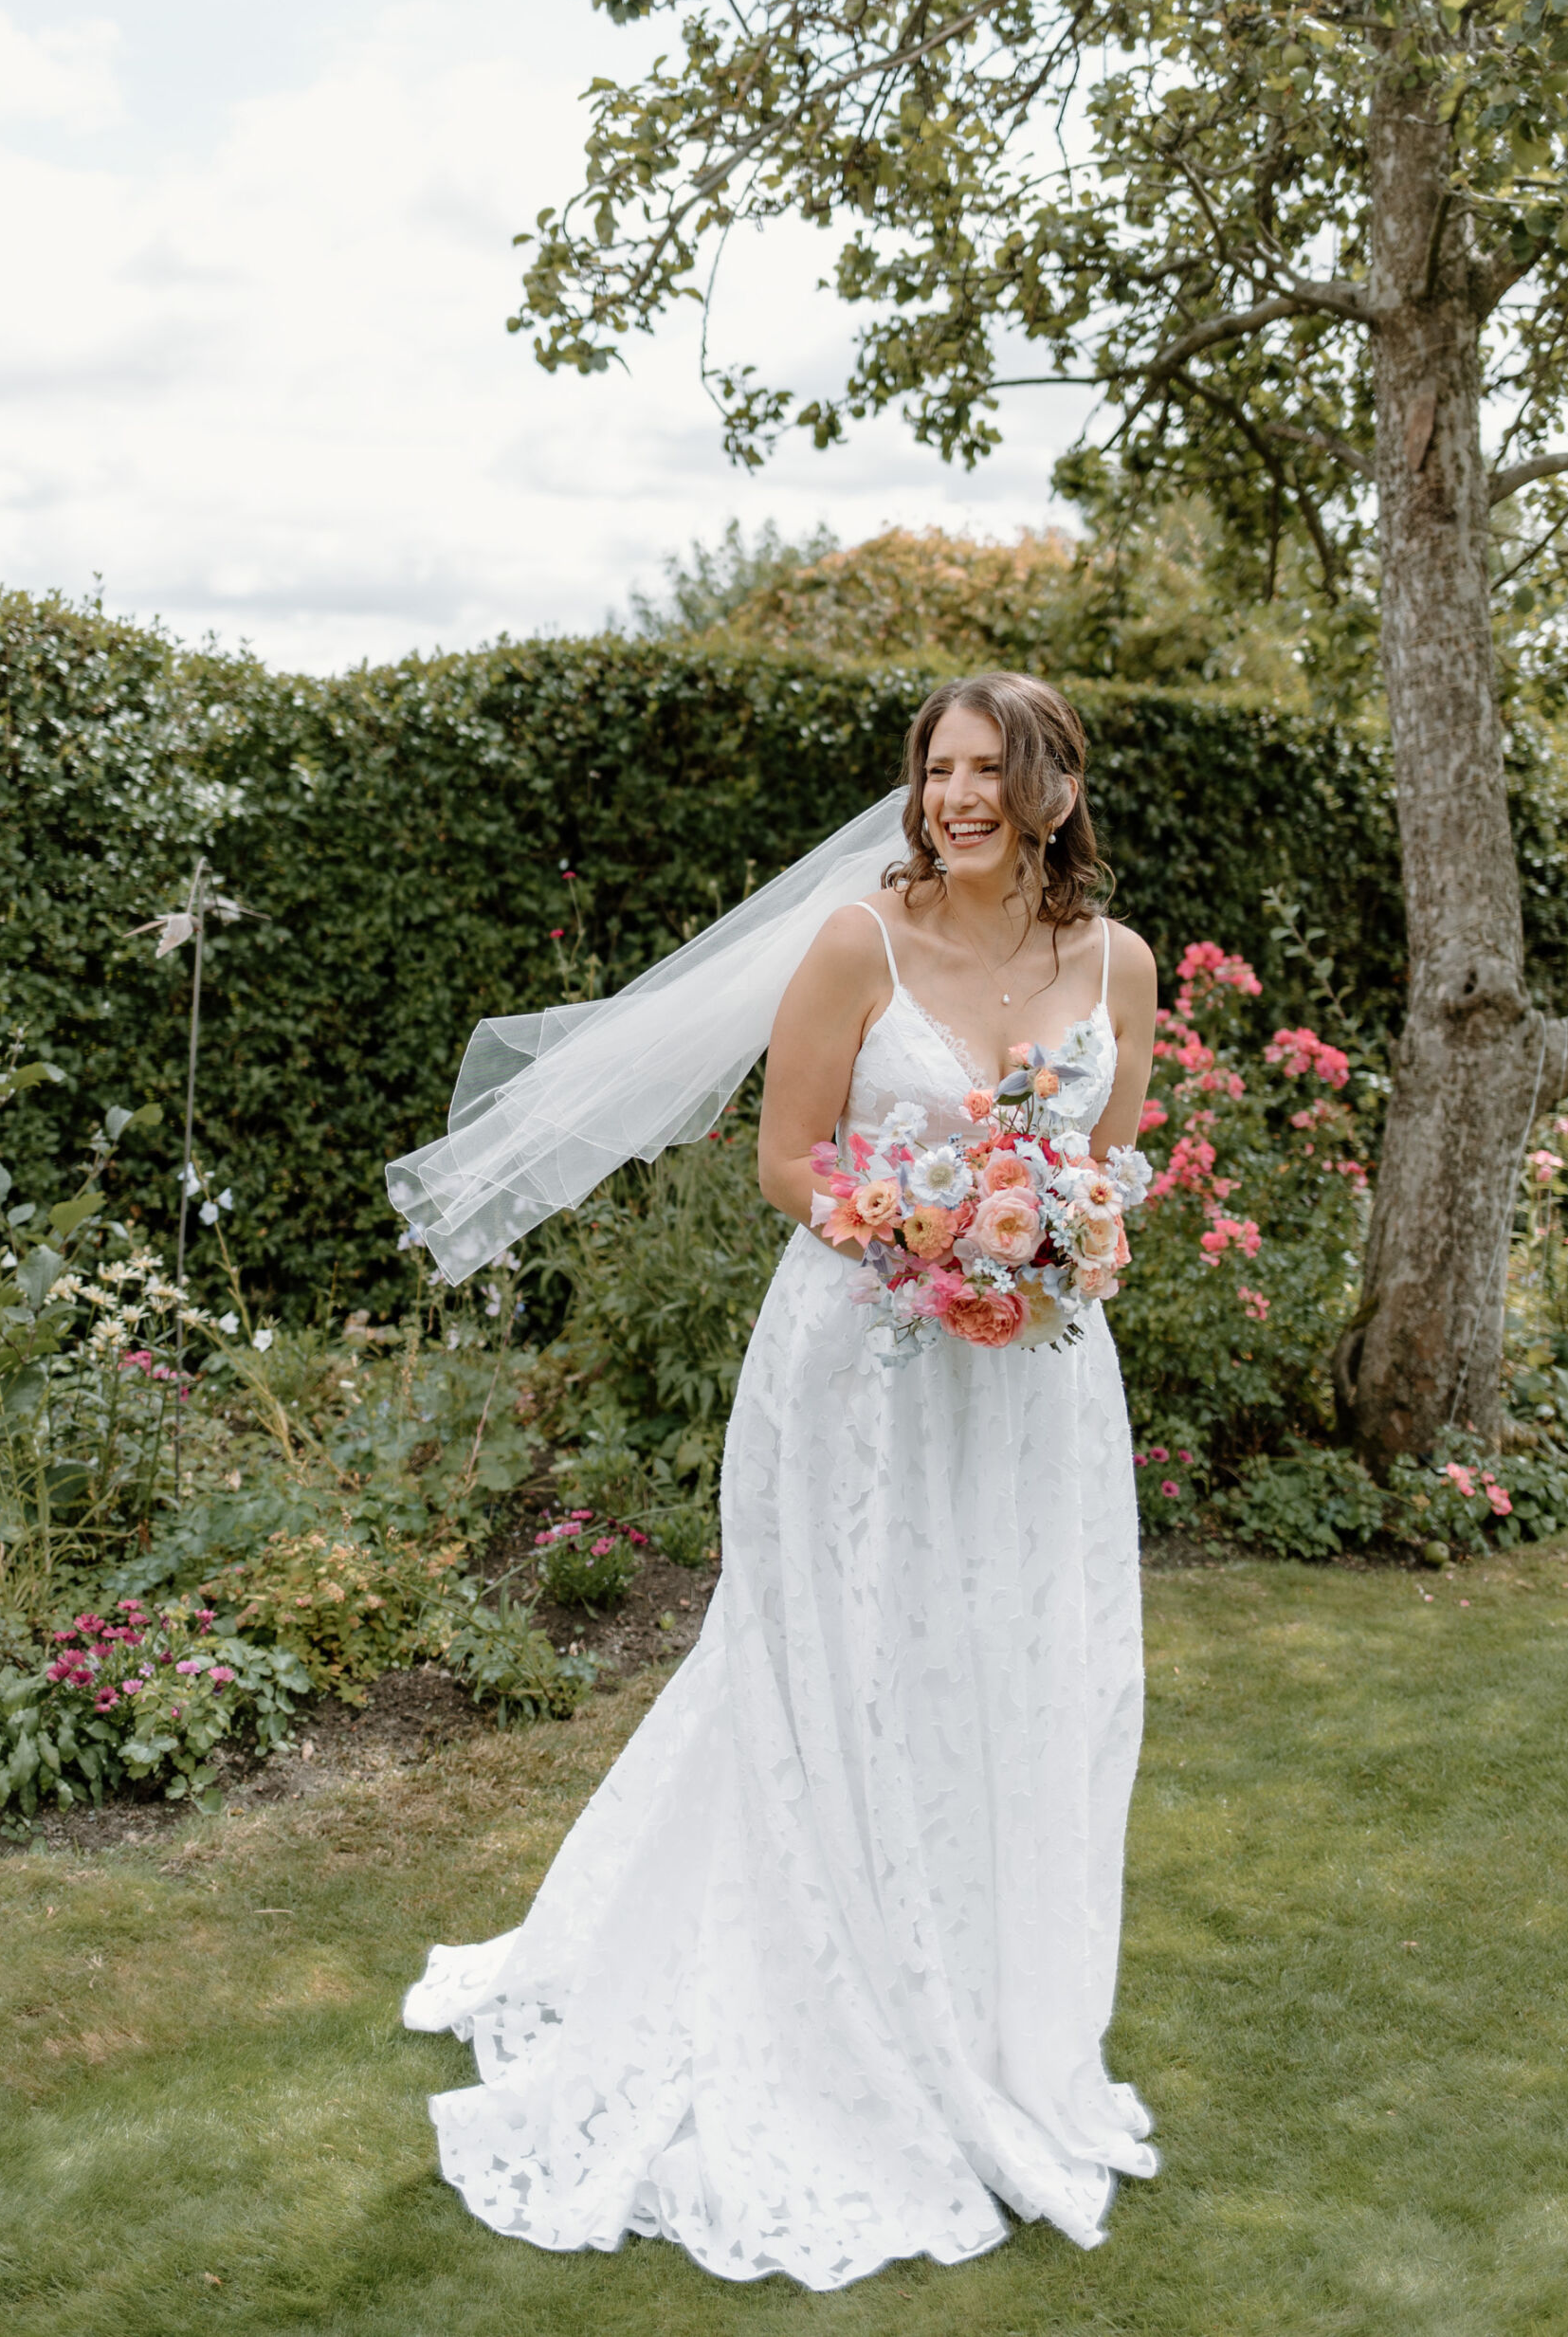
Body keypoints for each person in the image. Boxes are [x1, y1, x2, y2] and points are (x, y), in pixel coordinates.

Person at [396, 671, 1160, 2291]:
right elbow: (787, 1159)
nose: (956, 796)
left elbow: (1108, 1161)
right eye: (936, 770)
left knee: (1014, 1675)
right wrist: (930, 1232)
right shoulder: (854, 943)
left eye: (986, 770)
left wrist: (1057, 1235)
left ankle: (988, 2009)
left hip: (1031, 1382)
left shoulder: (1122, 966)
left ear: (1054, 789)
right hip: (863, 1363)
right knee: (838, 1671)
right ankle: (826, 2008)